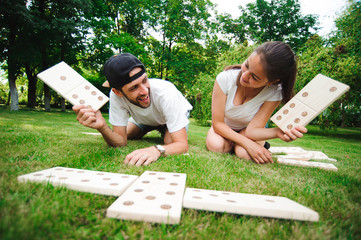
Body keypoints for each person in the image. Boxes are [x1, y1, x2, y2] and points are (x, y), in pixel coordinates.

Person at [73, 53, 193, 166]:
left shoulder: (166, 92)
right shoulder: (115, 96)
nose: (145, 91)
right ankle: (151, 129)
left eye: (145, 80)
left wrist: (156, 150)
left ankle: (166, 130)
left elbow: (182, 145)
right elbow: (120, 141)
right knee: (128, 135)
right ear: (118, 92)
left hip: (168, 118)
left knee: (169, 142)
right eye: (134, 87)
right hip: (143, 119)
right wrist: (103, 127)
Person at [206, 41, 307, 164]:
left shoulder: (274, 92)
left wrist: (278, 132)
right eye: (247, 65)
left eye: (254, 77)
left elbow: (252, 131)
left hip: (247, 131)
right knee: (216, 147)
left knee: (244, 154)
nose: (245, 75)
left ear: (272, 81)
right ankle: (236, 143)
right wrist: (246, 143)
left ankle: (237, 144)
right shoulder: (225, 78)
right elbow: (218, 124)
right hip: (224, 127)